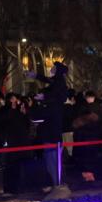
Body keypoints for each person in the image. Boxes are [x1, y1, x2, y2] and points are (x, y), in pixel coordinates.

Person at [26, 62, 70, 195]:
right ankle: (57, 184)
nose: (51, 69)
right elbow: (47, 80)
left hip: (52, 136)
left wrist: (43, 97)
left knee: (53, 162)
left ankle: (58, 184)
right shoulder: (56, 83)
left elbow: (56, 93)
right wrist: (36, 76)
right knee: (53, 161)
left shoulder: (58, 88)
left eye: (54, 68)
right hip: (52, 135)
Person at [2, 93, 31, 194]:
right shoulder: (7, 111)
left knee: (22, 166)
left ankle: (22, 186)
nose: (16, 101)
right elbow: (6, 122)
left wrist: (24, 113)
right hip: (13, 143)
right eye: (13, 99)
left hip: (23, 142)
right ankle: (11, 188)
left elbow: (27, 125)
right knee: (12, 166)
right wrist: (13, 109)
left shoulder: (20, 111)